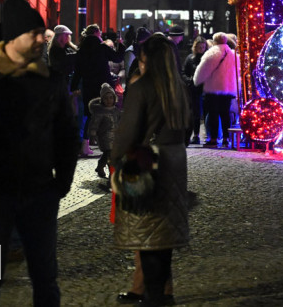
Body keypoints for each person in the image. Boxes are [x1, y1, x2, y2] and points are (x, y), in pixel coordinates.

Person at [0, 0, 78, 307]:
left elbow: (67, 133)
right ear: (14, 38)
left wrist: (63, 182)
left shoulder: (51, 81)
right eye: (36, 33)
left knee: (45, 276)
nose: (43, 39)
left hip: (40, 190)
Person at [113, 32, 190, 306]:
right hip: (174, 162)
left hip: (146, 163)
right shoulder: (178, 87)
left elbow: (127, 131)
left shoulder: (143, 87)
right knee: (164, 236)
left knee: (146, 236)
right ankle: (160, 294)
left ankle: (152, 296)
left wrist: (116, 159)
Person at [74, 24, 125, 156]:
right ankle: (111, 144)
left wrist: (74, 87)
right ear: (97, 33)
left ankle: (85, 145)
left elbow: (77, 71)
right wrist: (121, 44)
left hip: (88, 86)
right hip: (103, 87)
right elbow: (118, 57)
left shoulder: (81, 50)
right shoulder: (102, 48)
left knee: (90, 115)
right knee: (108, 113)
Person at [193, 33, 239, 148]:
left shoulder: (211, 53)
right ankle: (226, 139)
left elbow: (202, 70)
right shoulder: (233, 54)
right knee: (225, 114)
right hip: (228, 89)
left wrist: (197, 81)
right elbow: (238, 72)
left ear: (214, 41)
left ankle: (213, 139)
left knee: (213, 114)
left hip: (213, 88)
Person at [87, 83, 120, 178]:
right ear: (102, 99)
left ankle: (100, 166)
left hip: (115, 137)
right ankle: (112, 175)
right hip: (104, 137)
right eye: (106, 98)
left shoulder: (116, 110)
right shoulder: (100, 112)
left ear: (114, 98)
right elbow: (94, 124)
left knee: (108, 155)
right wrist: (92, 135)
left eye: (111, 98)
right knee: (110, 155)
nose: (109, 100)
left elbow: (120, 121)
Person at [183, 37, 208, 145]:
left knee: (202, 113)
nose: (201, 49)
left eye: (203, 47)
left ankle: (202, 134)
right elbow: (184, 72)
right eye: (199, 47)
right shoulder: (190, 58)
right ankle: (194, 135)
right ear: (195, 47)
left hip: (204, 89)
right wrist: (189, 81)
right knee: (194, 113)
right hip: (193, 89)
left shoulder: (207, 58)